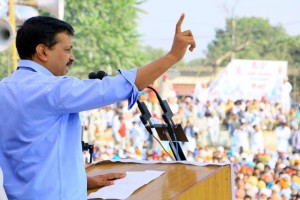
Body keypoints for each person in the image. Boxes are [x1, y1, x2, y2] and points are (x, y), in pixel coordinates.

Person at [0, 14, 195, 199]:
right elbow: (118, 87)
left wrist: (80, 181)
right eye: (67, 50)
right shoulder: (52, 90)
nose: (72, 57)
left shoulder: (4, 89)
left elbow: (33, 157)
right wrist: (173, 56)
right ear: (43, 51)